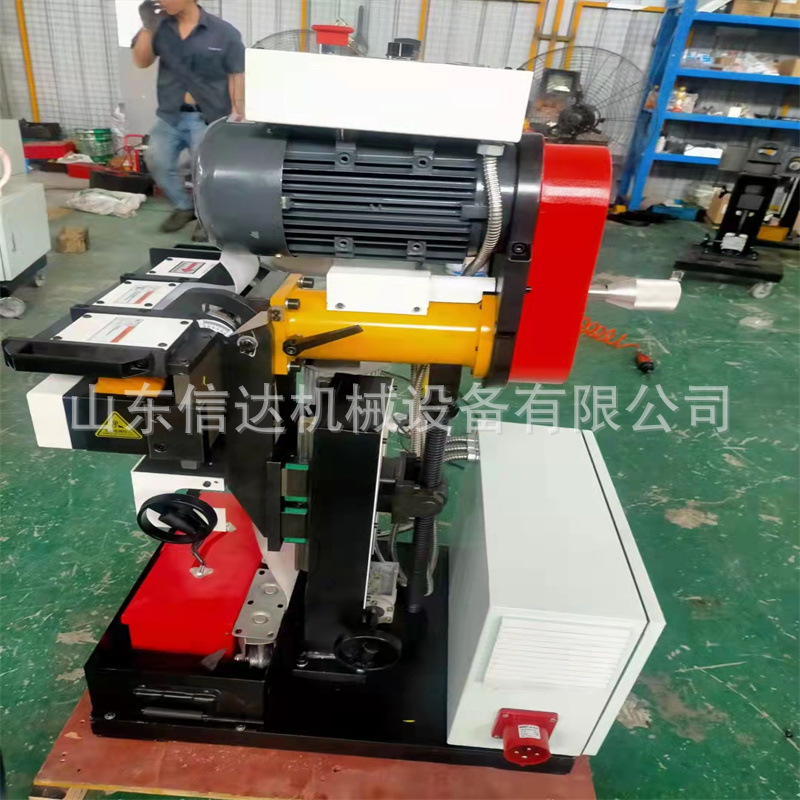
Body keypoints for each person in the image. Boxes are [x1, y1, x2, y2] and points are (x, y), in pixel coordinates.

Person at [132, 0, 245, 233]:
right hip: (170, 114)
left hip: (208, 116)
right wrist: (147, 27)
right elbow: (141, 62)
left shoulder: (224, 32)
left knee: (206, 174)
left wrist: (238, 112)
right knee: (157, 161)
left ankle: (207, 219)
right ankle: (184, 207)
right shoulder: (159, 26)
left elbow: (236, 73)